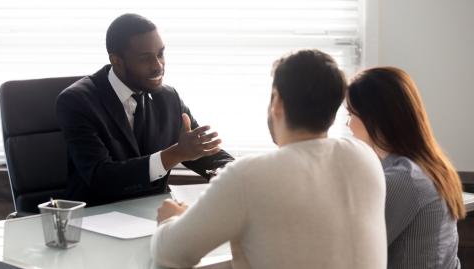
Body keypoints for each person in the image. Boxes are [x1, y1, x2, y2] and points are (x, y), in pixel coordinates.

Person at [151, 49, 387, 269]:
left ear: (277, 102)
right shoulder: (365, 157)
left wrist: (171, 220)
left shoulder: (248, 175)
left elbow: (169, 255)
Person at [56, 13, 233, 206]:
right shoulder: (77, 101)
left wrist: (233, 171)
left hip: (154, 215)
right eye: (145, 58)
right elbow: (101, 178)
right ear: (116, 61)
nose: (158, 66)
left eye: (160, 54)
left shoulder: (168, 97)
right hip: (96, 218)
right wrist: (175, 154)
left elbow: (198, 150)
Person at [346, 67, 466, 269]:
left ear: (374, 117)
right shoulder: (430, 166)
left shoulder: (404, 179)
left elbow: (352, 254)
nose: (347, 124)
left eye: (350, 113)